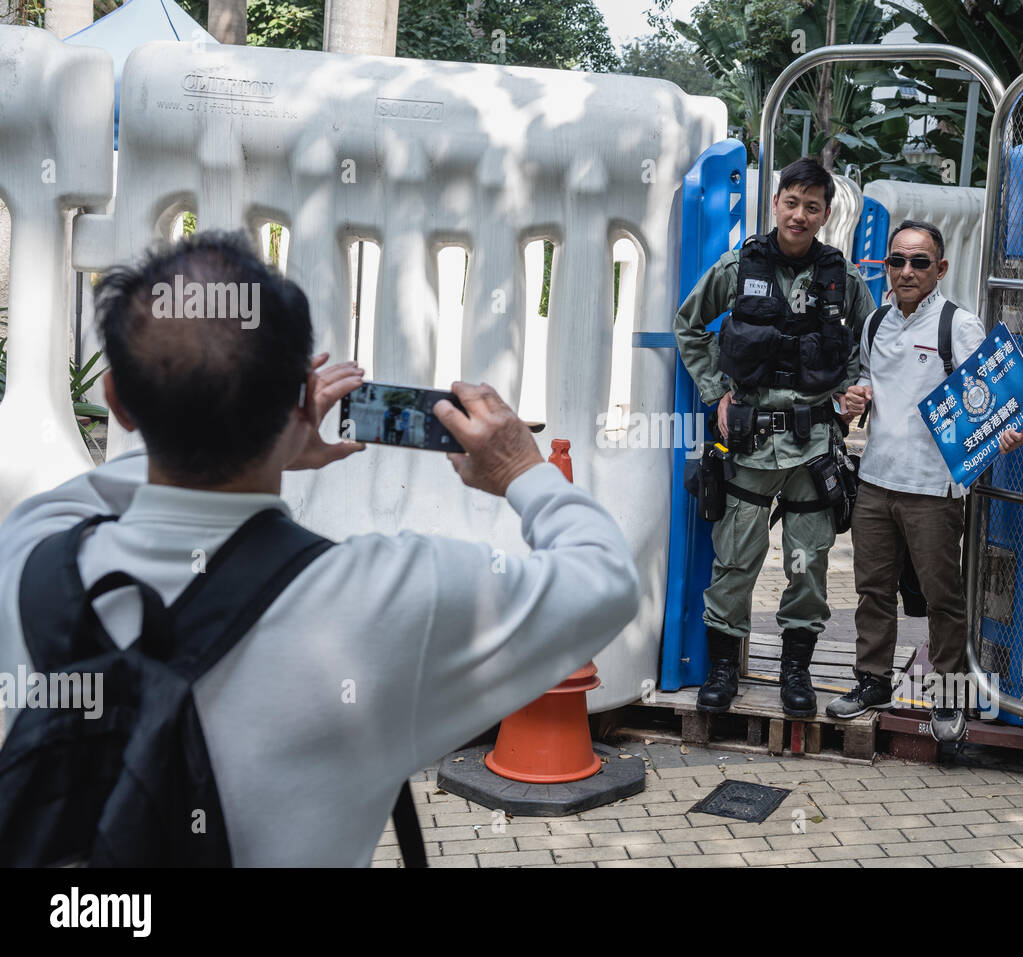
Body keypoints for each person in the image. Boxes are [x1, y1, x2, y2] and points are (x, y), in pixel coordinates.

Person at [0, 231, 639, 866]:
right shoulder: (386, 598)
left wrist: (266, 438)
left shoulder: (29, 555)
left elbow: (92, 491)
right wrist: (519, 468)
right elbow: (605, 578)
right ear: (306, 401)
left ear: (118, 404)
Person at [674, 158, 875, 718]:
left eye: (813, 206)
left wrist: (856, 387)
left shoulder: (844, 280)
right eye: (792, 202)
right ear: (776, 204)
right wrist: (716, 391)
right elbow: (689, 324)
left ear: (825, 214)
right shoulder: (738, 268)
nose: (800, 214)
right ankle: (722, 671)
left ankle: (795, 673)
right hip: (751, 446)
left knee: (807, 566)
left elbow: (872, 341)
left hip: (814, 448)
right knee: (736, 561)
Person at [830, 219, 1023, 741]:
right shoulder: (875, 322)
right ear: (887, 266)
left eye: (920, 262)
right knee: (872, 591)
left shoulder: (957, 326)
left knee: (942, 598)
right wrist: (852, 399)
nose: (907, 270)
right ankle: (871, 681)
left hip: (934, 491)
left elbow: (996, 399)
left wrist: (1006, 431)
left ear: (939, 269)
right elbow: (864, 383)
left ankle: (948, 696)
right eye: (898, 260)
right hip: (875, 481)